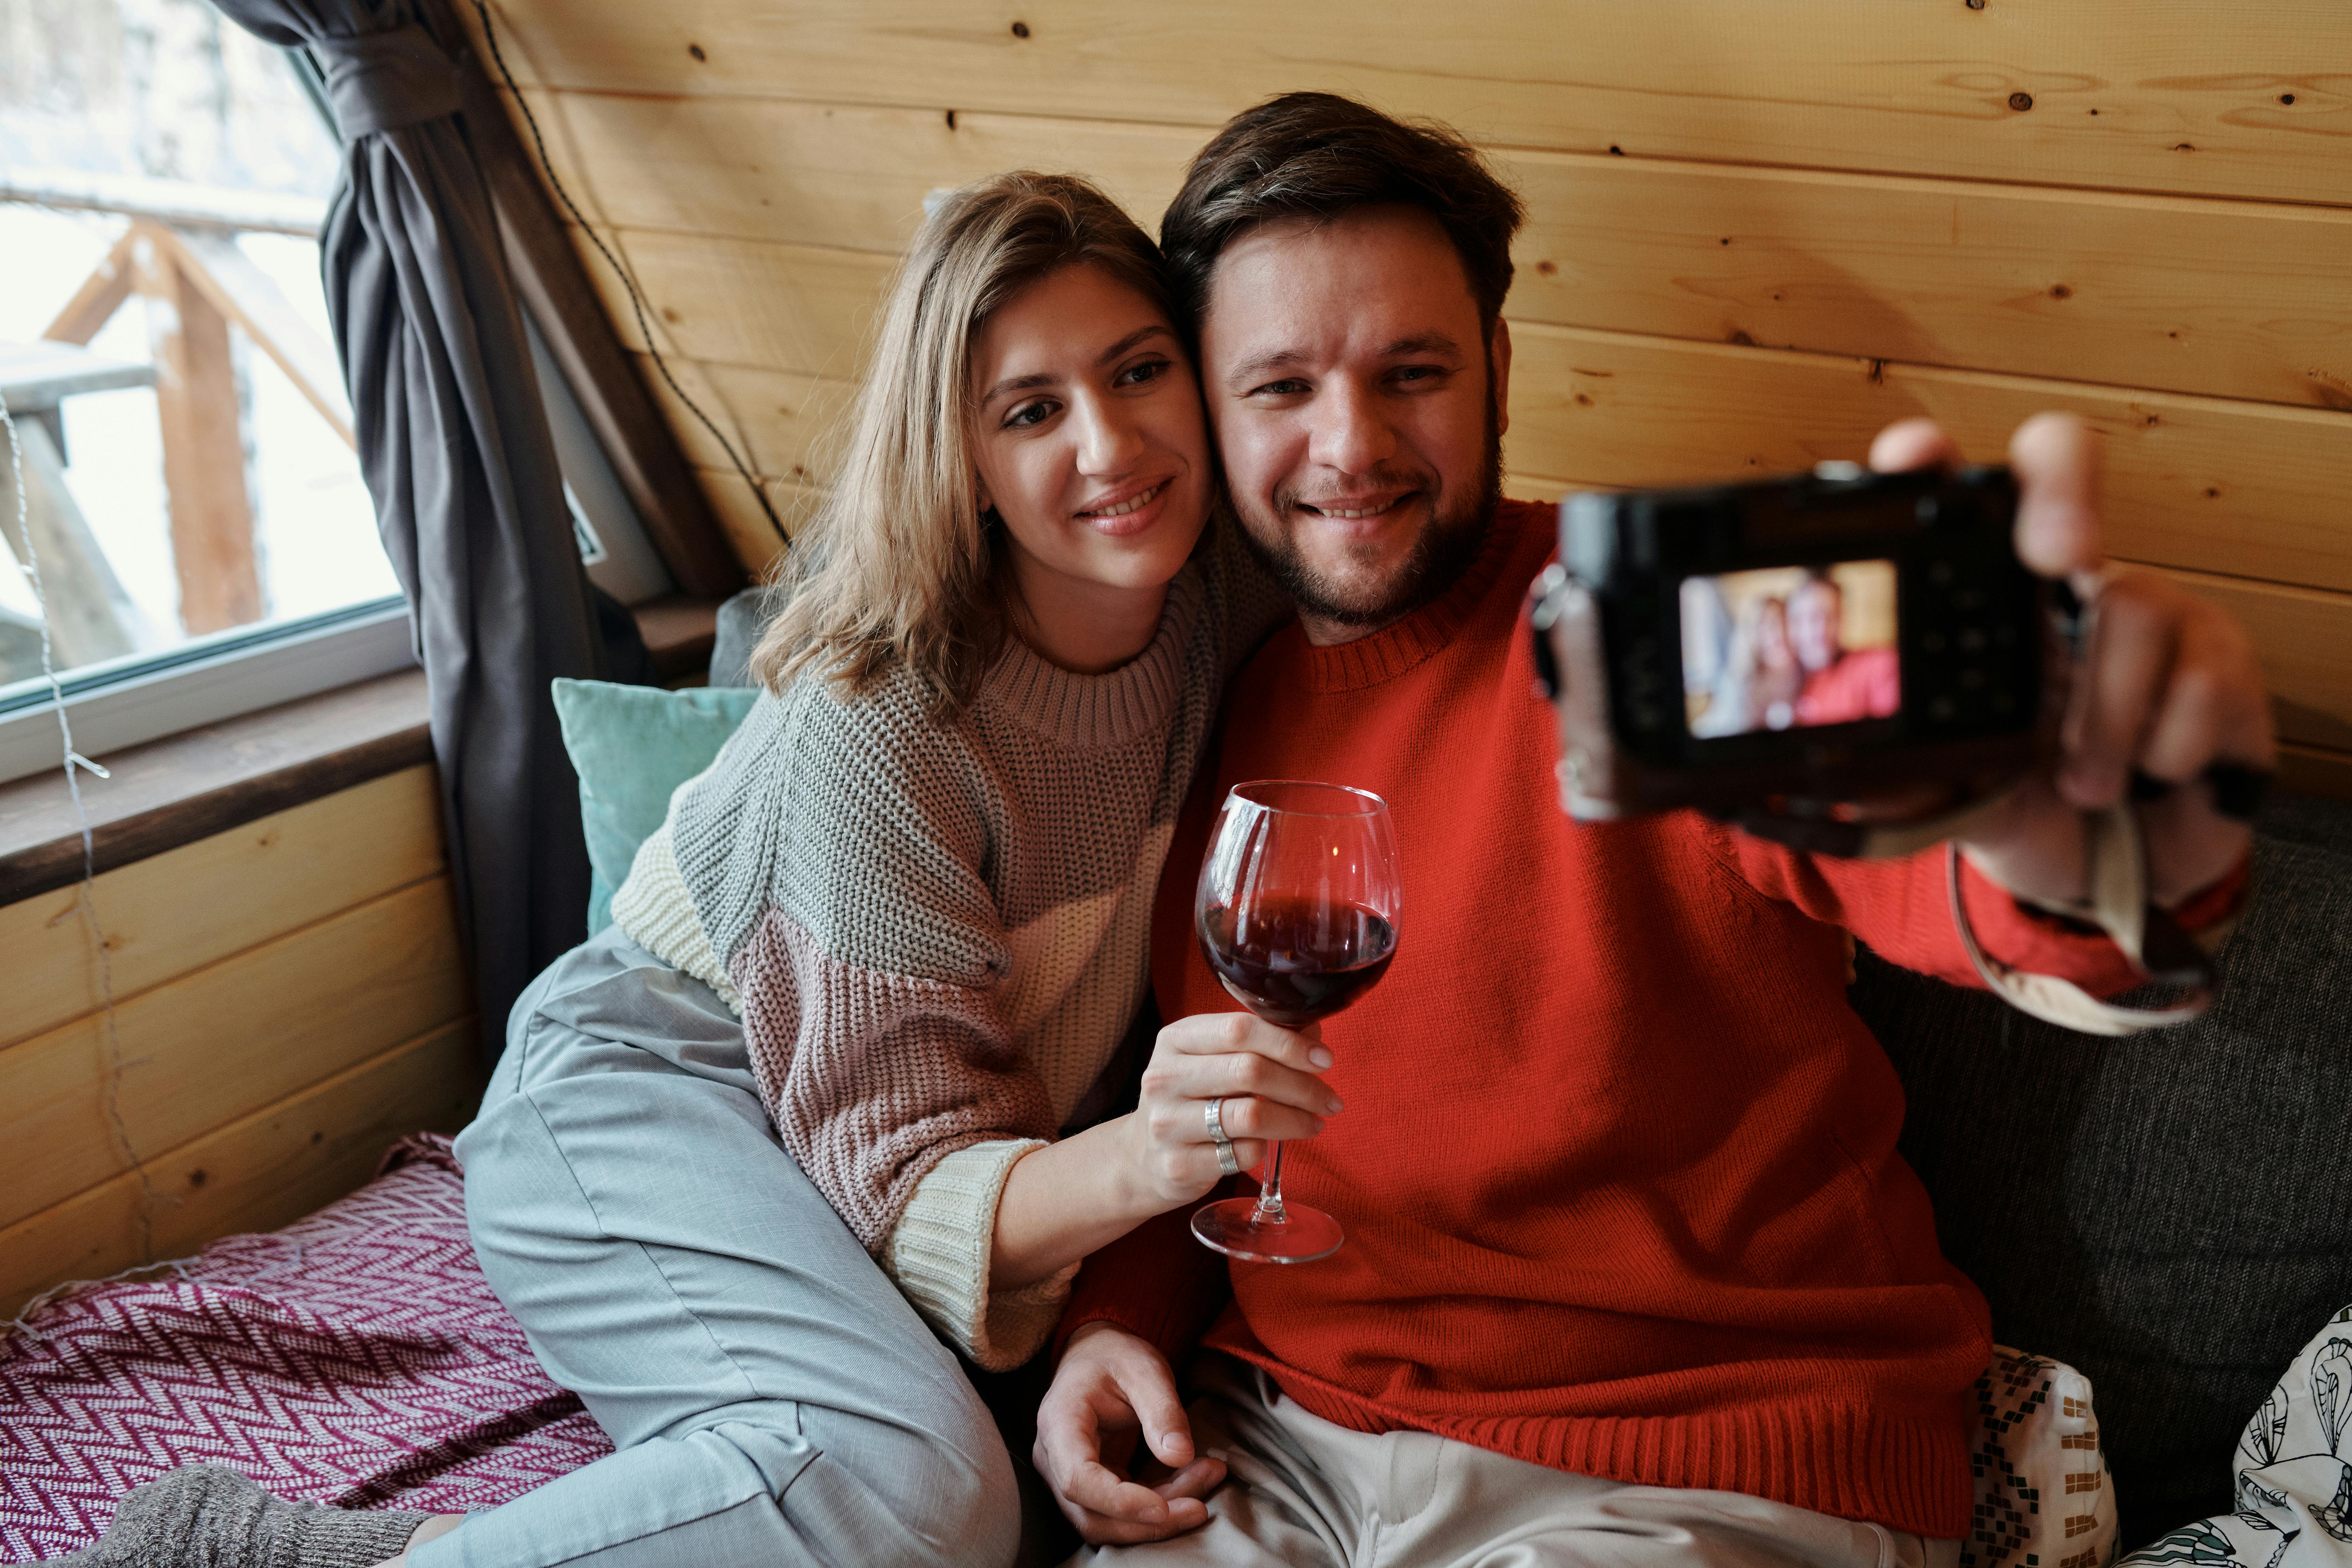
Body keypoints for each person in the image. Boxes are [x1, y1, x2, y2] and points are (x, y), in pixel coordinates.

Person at [1029, 92, 2270, 1565]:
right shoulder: (1206, 694)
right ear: (1209, 414)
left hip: (1699, 1459)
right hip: (1282, 1445)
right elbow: (1231, 1125)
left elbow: (1949, 876)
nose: (1347, 444)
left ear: (1494, 367)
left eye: (1410, 370)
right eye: (1280, 386)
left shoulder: (1650, 631)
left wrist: (2086, 864)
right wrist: (1115, 1326)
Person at [59, 173, 1318, 1568]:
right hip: (648, 1088)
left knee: (957, 1497)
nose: (1108, 441)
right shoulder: (885, 712)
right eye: (1028, 408)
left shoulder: (1231, 597)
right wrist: (1154, 1153)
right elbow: (907, 1176)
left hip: (882, 1125)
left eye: (1138, 369)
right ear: (957, 453)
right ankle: (280, 1552)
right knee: (924, 1491)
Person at [1790, 570, 1900, 726]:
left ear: (1843, 620)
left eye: (1831, 616)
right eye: (1810, 618)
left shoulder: (1880, 665)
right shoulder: (1781, 682)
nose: (1820, 630)